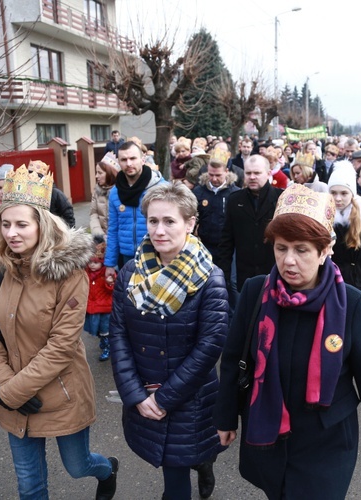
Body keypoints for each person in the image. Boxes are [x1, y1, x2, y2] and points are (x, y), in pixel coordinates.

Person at [213, 183, 361, 499]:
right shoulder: (256, 292)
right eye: (281, 248)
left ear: (325, 251)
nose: (289, 261)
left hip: (327, 439)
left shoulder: (352, 304)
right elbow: (232, 359)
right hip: (269, 433)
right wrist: (226, 416)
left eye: (302, 249)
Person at [0, 165, 119, 499]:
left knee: (77, 466)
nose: (12, 233)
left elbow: (61, 346)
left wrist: (11, 392)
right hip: (12, 394)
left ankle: (107, 469)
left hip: (61, 393)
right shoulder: (1, 267)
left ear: (42, 225)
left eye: (21, 224)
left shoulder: (69, 273)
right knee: (29, 485)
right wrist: (4, 384)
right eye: (6, 224)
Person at [109, 183, 228, 500]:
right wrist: (136, 395)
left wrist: (165, 399)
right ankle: (201, 461)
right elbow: (119, 335)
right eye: (152, 221)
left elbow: (209, 347)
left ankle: (203, 463)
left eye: (169, 221)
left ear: (190, 224)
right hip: (145, 392)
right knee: (171, 466)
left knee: (176, 482)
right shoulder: (131, 273)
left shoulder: (210, 278)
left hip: (188, 396)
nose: (159, 230)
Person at [215, 155, 283, 303]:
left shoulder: (281, 198)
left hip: (275, 272)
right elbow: (227, 240)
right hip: (245, 275)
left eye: (257, 173)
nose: (252, 177)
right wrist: (223, 274)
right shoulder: (234, 200)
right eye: (248, 173)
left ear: (268, 173)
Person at [104, 141, 166, 281]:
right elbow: (113, 229)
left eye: (133, 158)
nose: (129, 164)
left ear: (143, 159)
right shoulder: (115, 193)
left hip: (156, 255)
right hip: (127, 258)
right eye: (124, 160)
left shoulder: (160, 188)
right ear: (118, 162)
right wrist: (110, 263)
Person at [327, 162, 361, 310]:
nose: (338, 198)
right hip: (328, 283)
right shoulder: (322, 217)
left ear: (352, 194)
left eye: (344, 193)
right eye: (333, 192)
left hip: (357, 284)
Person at [192, 153, 240, 263]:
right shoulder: (198, 192)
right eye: (211, 175)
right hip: (205, 244)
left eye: (218, 175)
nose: (214, 179)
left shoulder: (235, 193)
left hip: (228, 247)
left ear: (226, 172)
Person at [85, 238, 114, 362]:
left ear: (102, 262)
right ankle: (103, 341)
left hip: (105, 308)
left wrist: (109, 283)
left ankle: (107, 347)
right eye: (90, 262)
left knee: (105, 329)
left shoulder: (106, 274)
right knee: (95, 329)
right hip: (92, 308)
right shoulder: (85, 273)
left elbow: (112, 290)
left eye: (95, 262)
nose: (92, 265)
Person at [27, 161, 76, 228]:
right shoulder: (27, 192)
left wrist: (69, 231)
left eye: (34, 176)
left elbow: (67, 213)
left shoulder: (55, 193)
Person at [89, 152, 120, 239]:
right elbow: (93, 214)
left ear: (110, 173)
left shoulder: (121, 192)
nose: (96, 176)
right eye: (96, 172)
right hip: (102, 239)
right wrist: (99, 234)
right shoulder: (97, 191)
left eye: (100, 173)